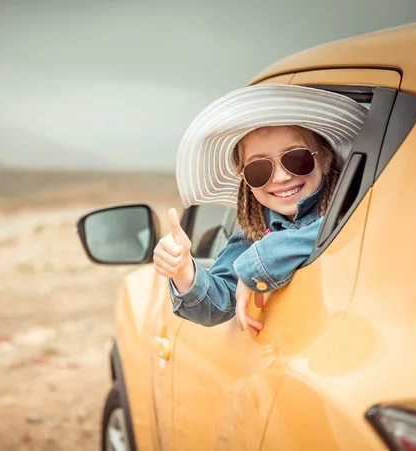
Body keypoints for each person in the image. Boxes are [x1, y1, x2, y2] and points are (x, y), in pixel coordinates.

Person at [152, 84, 368, 335]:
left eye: (296, 158)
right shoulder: (253, 236)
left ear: (325, 157)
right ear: (244, 178)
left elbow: (347, 230)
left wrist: (258, 264)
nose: (280, 177)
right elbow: (216, 305)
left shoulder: (355, 208)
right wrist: (183, 271)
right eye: (259, 169)